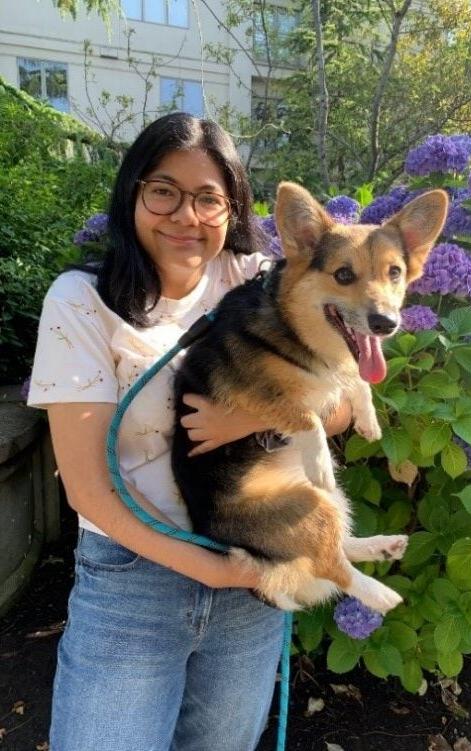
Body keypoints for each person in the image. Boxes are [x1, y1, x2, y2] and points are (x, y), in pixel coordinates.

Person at [28, 112, 351, 751]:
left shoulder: (264, 281)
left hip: (250, 561)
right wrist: (208, 569)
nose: (186, 215)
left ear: (232, 208)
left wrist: (252, 414)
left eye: (209, 198)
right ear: (133, 195)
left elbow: (345, 400)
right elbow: (89, 491)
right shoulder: (81, 300)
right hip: (133, 577)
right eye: (164, 191)